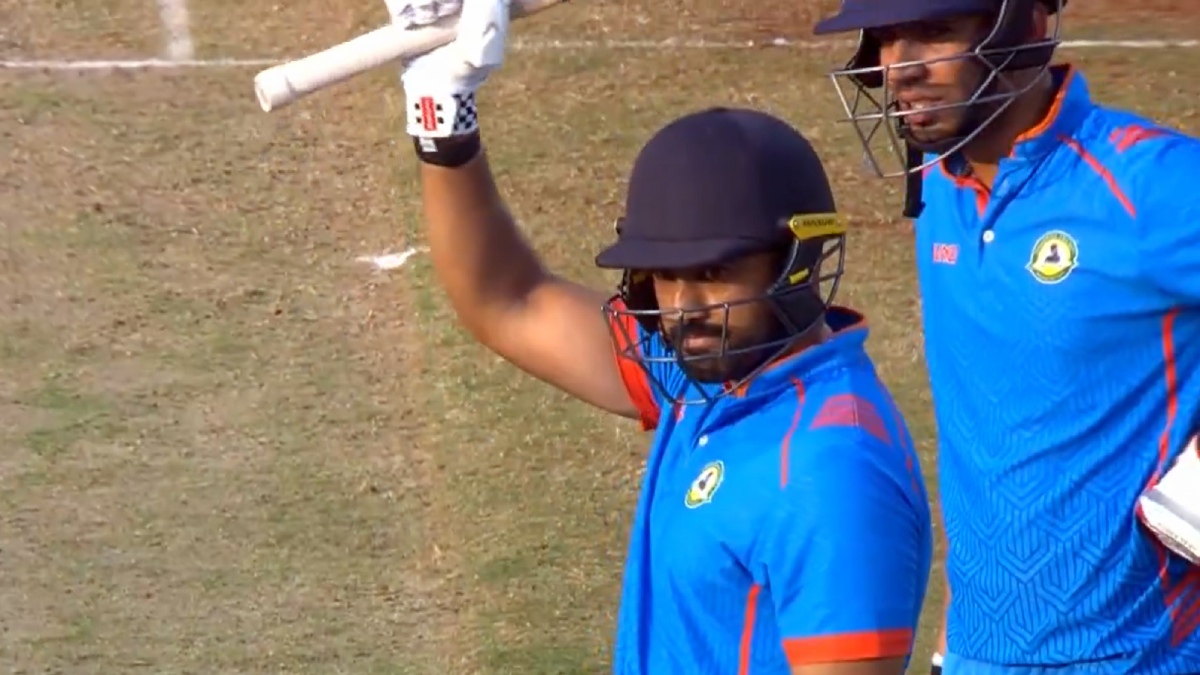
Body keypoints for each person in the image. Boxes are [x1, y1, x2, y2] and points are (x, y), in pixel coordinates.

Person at [387, 0, 934, 672]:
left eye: (713, 273)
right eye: (666, 277)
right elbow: (507, 299)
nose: (683, 307)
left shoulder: (832, 471)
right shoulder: (709, 377)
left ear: (797, 261)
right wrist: (444, 121)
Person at [811, 0, 1200, 674]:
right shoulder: (939, 189)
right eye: (888, 38)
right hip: (976, 654)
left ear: (1026, 27)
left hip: (1143, 656)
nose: (901, 67)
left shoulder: (1154, 184)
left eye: (935, 32)